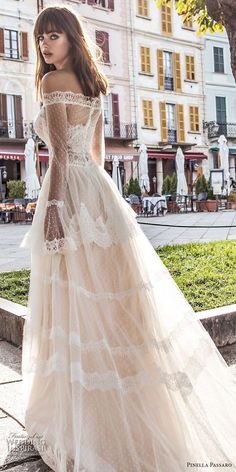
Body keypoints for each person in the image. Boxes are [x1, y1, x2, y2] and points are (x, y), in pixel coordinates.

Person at [20, 6, 236, 472]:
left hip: (70, 196)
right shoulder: (96, 86)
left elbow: (58, 158)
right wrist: (98, 202)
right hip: (98, 193)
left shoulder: (52, 84)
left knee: (74, 300)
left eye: (52, 37)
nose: (44, 46)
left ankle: (85, 418)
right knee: (112, 301)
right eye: (40, 38)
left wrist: (54, 211)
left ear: (73, 39)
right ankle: (132, 411)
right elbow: (96, 157)